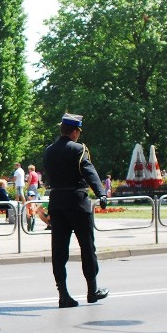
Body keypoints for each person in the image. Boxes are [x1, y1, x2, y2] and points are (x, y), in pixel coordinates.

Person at [42, 113, 109, 308]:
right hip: (77, 203)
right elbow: (89, 171)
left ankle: (63, 294)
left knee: (59, 250)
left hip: (57, 203)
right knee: (87, 248)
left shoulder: (49, 151)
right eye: (79, 131)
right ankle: (92, 290)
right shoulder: (78, 149)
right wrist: (101, 193)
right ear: (75, 131)